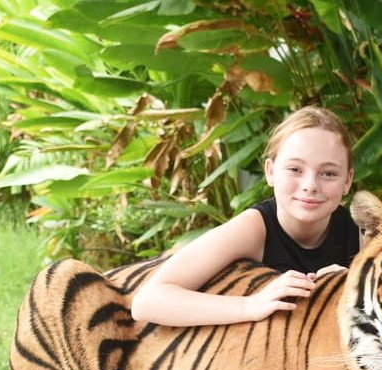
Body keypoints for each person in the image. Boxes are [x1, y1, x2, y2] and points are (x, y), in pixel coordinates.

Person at [130, 106, 360, 327]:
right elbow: (148, 301)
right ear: (270, 172)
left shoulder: (361, 232)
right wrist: (250, 305)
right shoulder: (254, 228)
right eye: (295, 169)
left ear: (347, 181)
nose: (310, 185)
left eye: (328, 173)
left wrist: (354, 284)